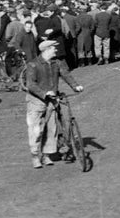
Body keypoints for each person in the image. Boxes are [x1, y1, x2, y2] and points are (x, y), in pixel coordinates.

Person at [24, 39, 83, 169]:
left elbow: (66, 75)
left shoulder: (57, 63)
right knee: (36, 130)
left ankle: (46, 155)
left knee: (51, 129)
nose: (56, 50)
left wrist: (76, 86)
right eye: (53, 48)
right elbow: (30, 84)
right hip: (36, 102)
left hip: (52, 101)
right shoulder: (33, 64)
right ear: (46, 50)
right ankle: (35, 156)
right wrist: (45, 93)